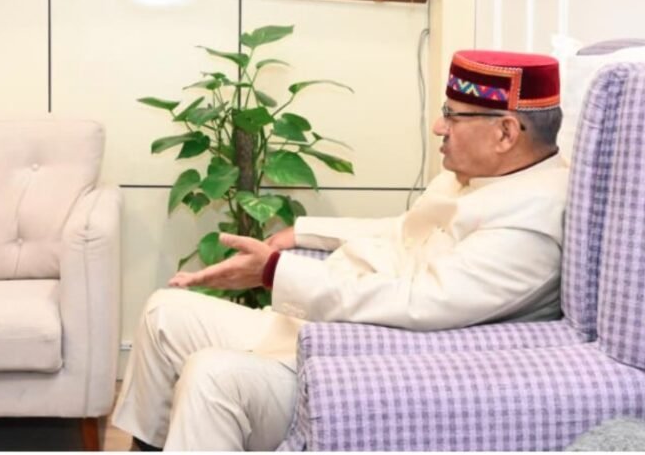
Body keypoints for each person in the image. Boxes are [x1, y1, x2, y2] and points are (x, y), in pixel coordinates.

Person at [112, 50, 569, 451]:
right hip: (323, 333)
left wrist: (274, 271)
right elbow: (403, 230)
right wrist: (302, 233)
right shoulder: (476, 178)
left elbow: (420, 302)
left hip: (358, 369)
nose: (438, 128)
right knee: (163, 313)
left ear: (505, 133)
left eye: (453, 116)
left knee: (210, 374)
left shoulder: (529, 223)